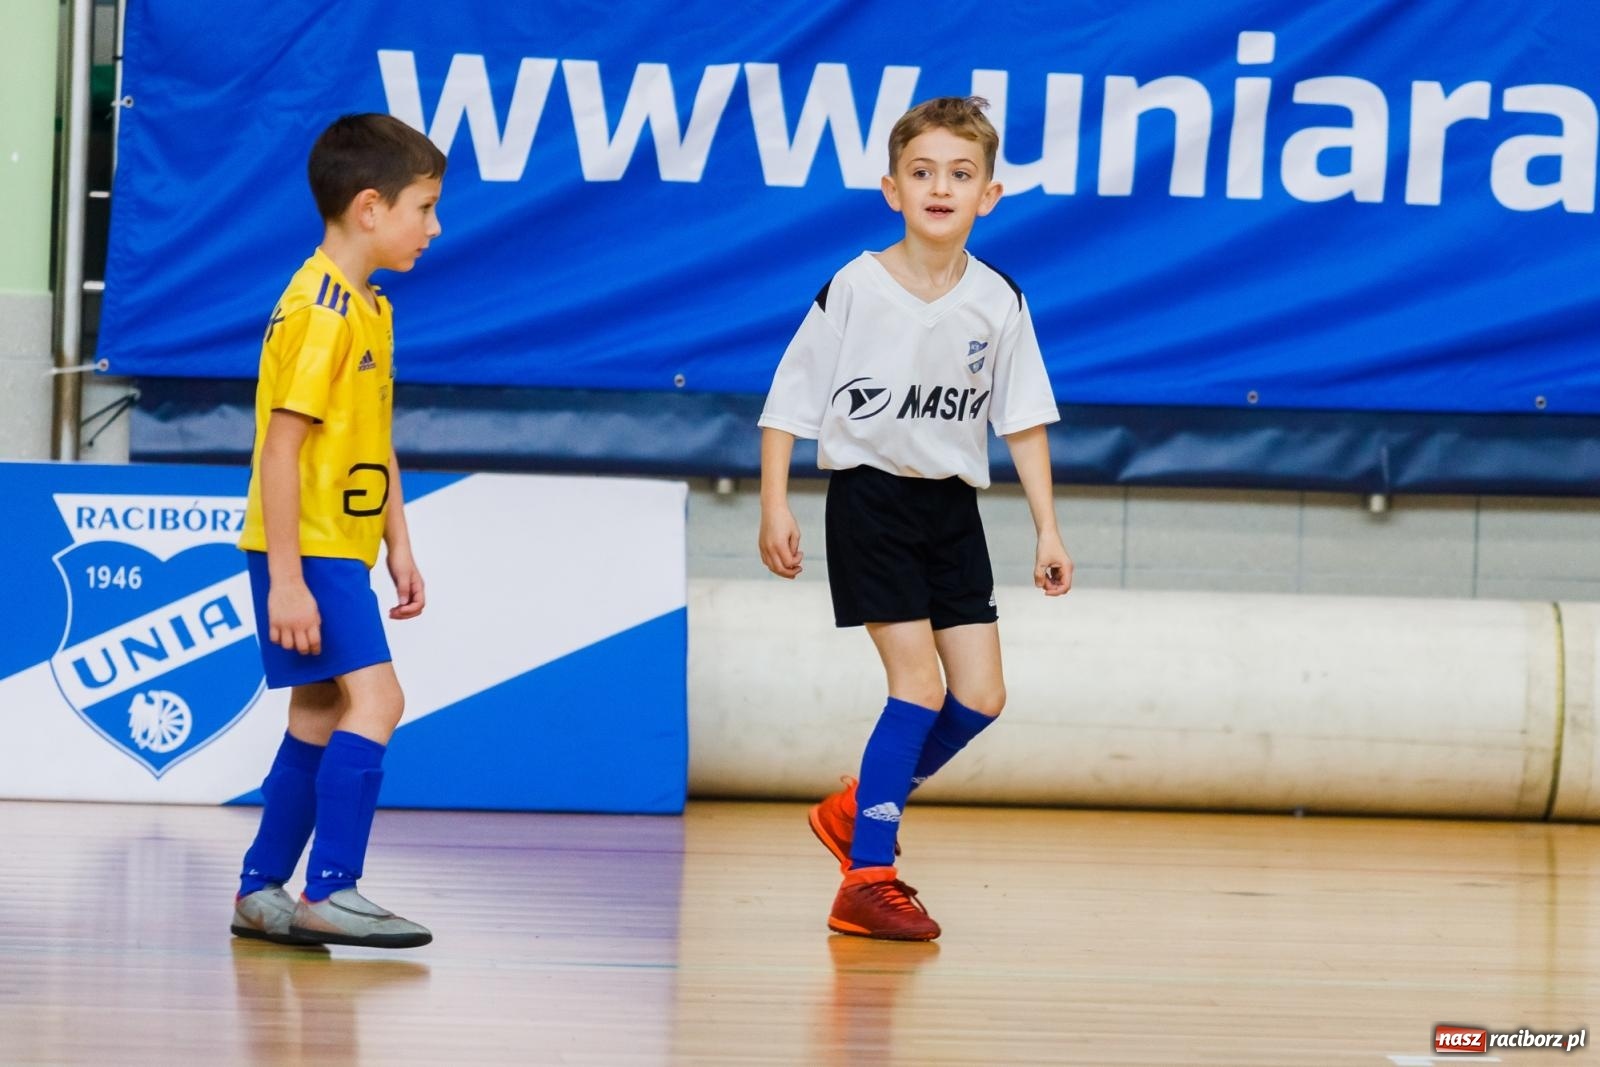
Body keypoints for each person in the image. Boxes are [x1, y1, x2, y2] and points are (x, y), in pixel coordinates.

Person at [757, 96, 1072, 941]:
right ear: (891, 188)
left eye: (960, 174)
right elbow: (787, 400)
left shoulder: (999, 300)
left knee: (980, 695)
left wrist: (1047, 526)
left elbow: (1024, 418)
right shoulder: (856, 287)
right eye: (923, 172)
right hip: (870, 501)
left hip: (950, 508)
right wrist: (774, 502)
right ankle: (868, 874)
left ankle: (856, 812)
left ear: (990, 195)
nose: (941, 187)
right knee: (917, 687)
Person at [230, 113, 445, 949]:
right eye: (423, 207)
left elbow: (372, 433)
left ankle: (261, 887)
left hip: (342, 547)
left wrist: (398, 539)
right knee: (380, 698)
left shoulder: (369, 305)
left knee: (320, 710)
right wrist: (286, 576)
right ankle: (333, 887)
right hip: (309, 546)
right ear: (368, 207)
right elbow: (279, 451)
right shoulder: (321, 311)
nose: (434, 226)